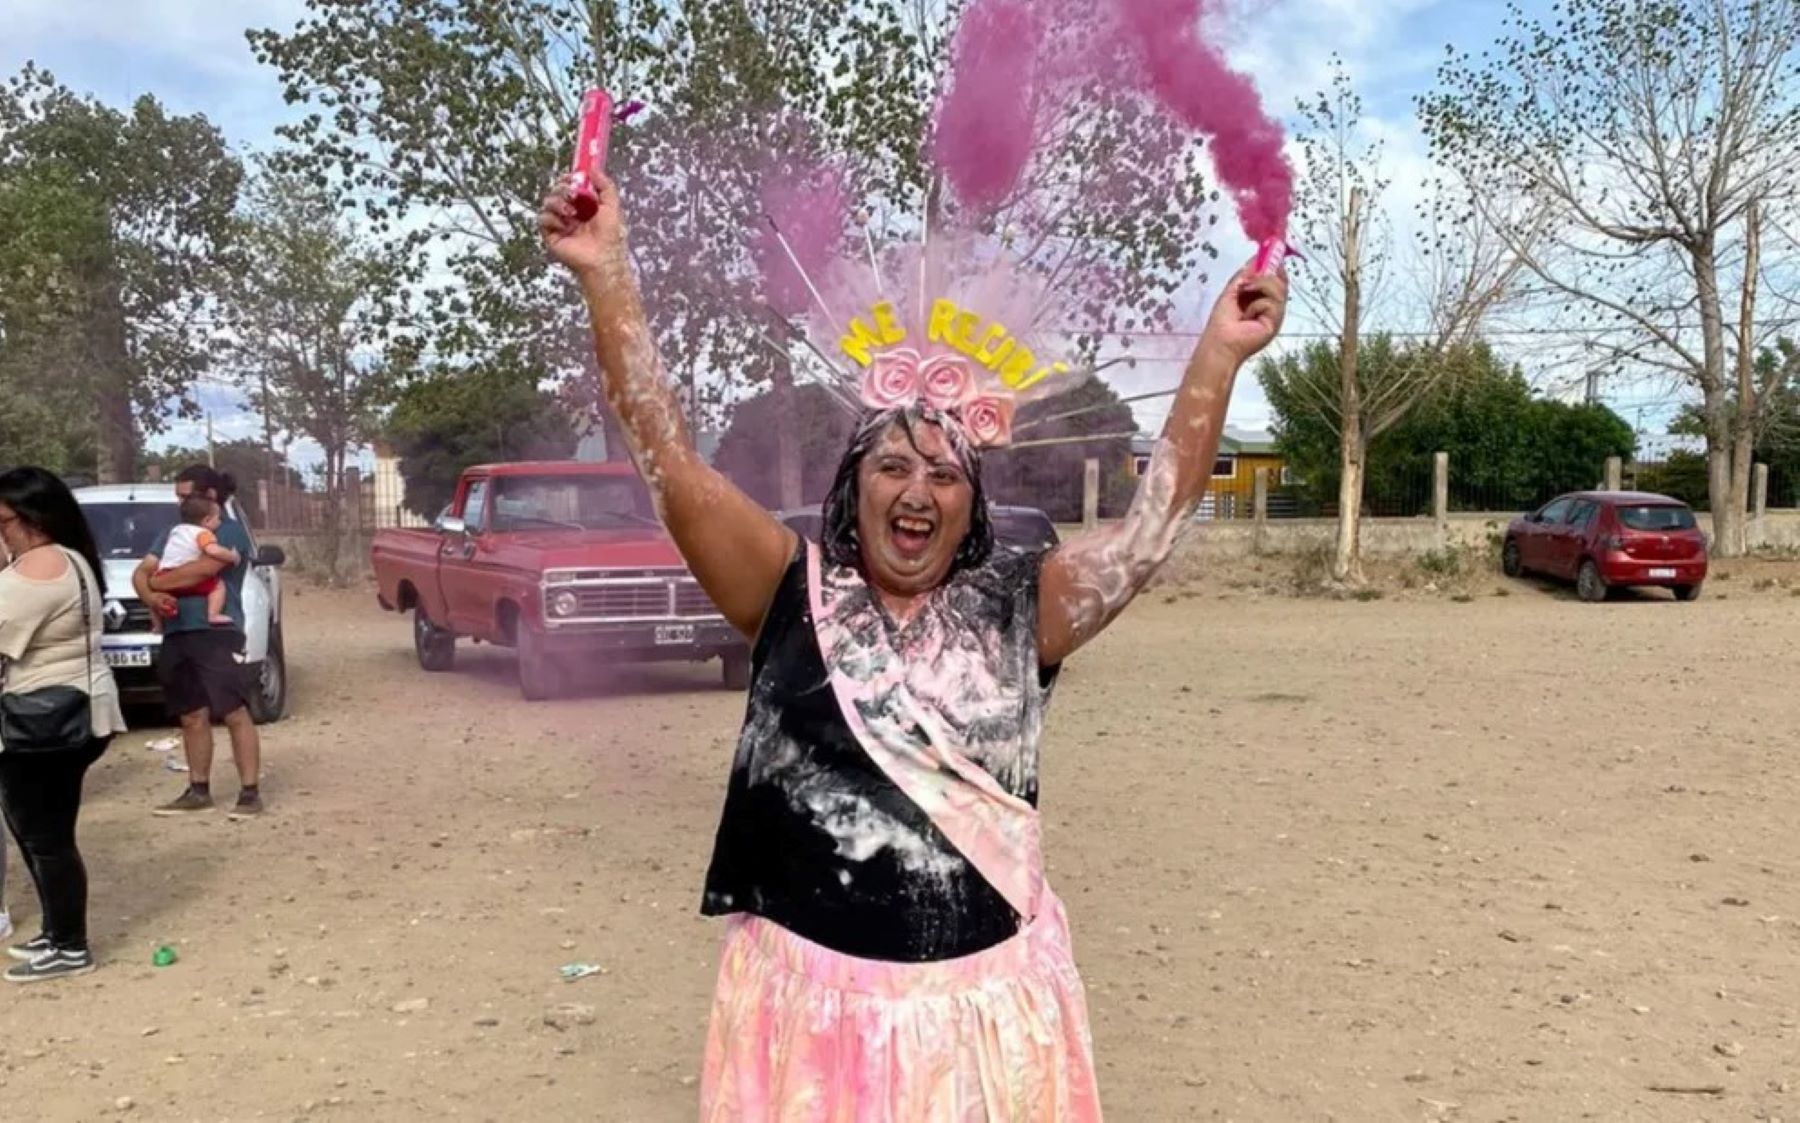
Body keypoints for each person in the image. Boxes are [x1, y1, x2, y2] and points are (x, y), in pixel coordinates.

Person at [541, 174, 1286, 1119]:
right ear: (853, 488)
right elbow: (666, 459)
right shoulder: (784, 589)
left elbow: (1151, 526)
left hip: (982, 1028)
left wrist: (1220, 354)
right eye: (892, 465)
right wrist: (608, 275)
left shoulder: (1026, 607)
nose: (917, 490)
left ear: (972, 507)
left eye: (944, 473)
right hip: (809, 1025)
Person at [0, 467, 126, 982]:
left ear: (28, 519)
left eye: (2, 520)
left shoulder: (34, 570)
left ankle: (70, 945)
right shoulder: (72, 559)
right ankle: (56, 933)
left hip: (44, 721)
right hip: (81, 710)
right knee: (41, 832)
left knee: (45, 838)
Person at [132, 466, 264, 818]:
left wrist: (156, 586)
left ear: (209, 497)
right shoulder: (173, 533)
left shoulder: (228, 531)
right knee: (191, 714)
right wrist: (151, 598)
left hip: (215, 633)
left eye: (186, 495)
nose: (179, 502)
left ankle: (249, 792)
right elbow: (139, 573)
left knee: (233, 709)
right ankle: (198, 789)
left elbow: (202, 571)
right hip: (178, 631)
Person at [151, 494, 238, 628]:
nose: (220, 522)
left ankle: (157, 625)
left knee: (156, 597)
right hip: (190, 580)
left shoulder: (176, 531)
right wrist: (232, 556)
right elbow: (213, 551)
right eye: (218, 518)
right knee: (218, 586)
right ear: (207, 521)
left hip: (164, 576)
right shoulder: (203, 533)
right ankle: (212, 614)